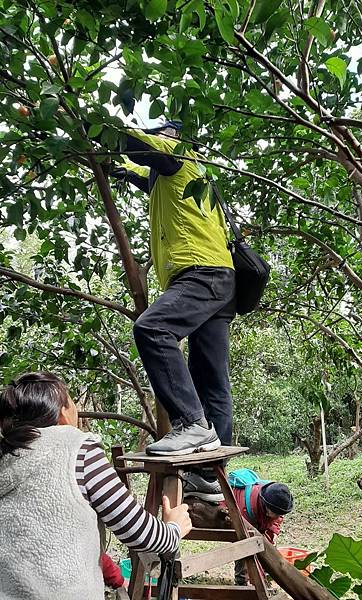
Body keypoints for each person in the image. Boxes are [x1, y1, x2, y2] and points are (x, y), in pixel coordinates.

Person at [107, 120, 236, 499]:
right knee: (211, 377)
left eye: (164, 131)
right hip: (220, 278)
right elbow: (141, 173)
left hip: (201, 272)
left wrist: (95, 127)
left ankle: (192, 424)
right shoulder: (184, 177)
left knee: (152, 329)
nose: (158, 135)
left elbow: (142, 147)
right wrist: (115, 167)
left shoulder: (178, 158)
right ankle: (210, 475)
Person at [0, 372, 192, 600]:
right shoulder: (76, 449)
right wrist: (174, 529)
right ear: (62, 413)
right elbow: (139, 533)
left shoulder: (5, 457)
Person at [226, 481, 293, 586]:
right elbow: (244, 540)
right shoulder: (248, 507)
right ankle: (241, 582)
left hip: (258, 522)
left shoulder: (276, 505)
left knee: (268, 548)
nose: (278, 516)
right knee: (243, 550)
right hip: (240, 519)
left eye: (280, 514)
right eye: (275, 514)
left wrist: (272, 535)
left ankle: (265, 579)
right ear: (267, 508)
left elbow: (276, 520)